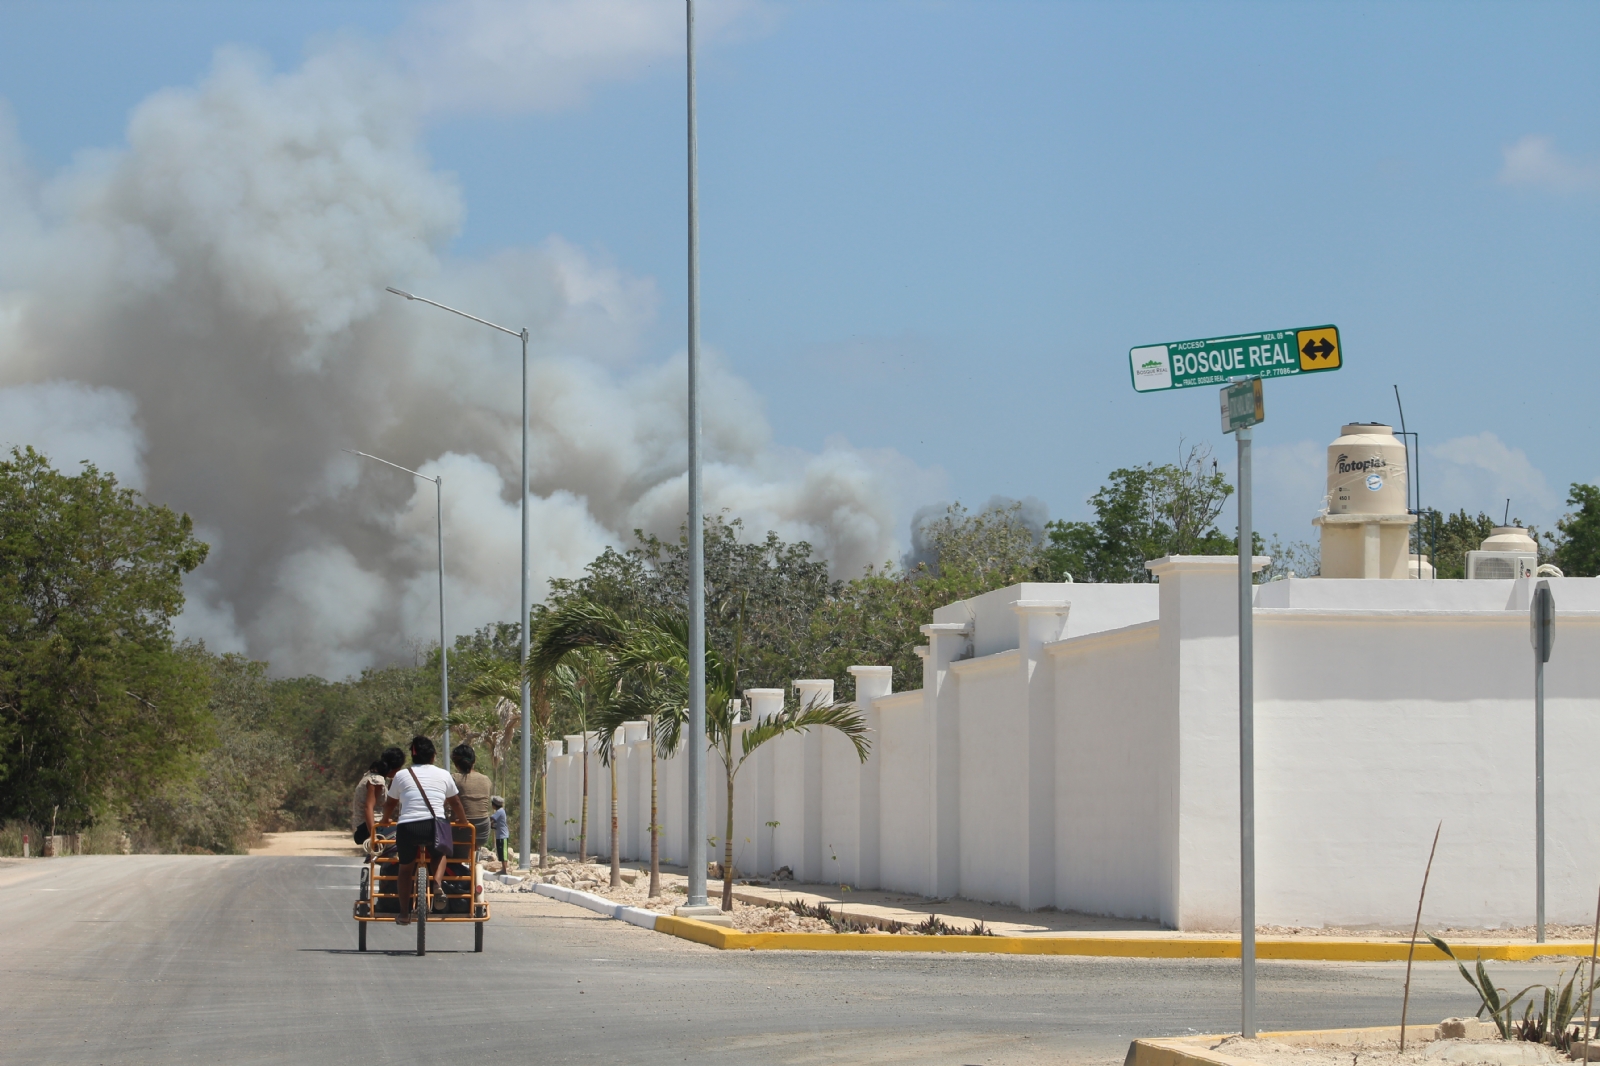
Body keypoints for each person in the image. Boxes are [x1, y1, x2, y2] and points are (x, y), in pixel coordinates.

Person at [381, 736, 467, 925]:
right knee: (440, 853)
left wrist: (385, 819)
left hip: (408, 827)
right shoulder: (444, 775)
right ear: (433, 756)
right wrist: (462, 821)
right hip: (434, 825)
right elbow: (456, 802)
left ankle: (404, 914)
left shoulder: (401, 776)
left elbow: (390, 803)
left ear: (412, 755)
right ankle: (436, 883)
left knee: (405, 868)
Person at [350, 748, 404, 855]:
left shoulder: (373, 776)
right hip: (366, 828)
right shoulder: (376, 781)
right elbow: (368, 807)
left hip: (373, 825)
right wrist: (373, 836)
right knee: (407, 834)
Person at [449, 743, 494, 861]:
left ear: (455, 763)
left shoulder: (453, 778)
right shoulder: (486, 779)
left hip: (461, 828)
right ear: (474, 761)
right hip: (482, 830)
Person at [490, 796, 509, 874]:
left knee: (503, 853)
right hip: (500, 835)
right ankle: (503, 869)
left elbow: (492, 819)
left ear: (494, 805)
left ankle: (504, 870)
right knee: (500, 853)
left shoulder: (500, 811)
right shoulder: (500, 811)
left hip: (503, 836)